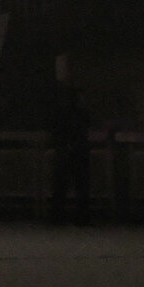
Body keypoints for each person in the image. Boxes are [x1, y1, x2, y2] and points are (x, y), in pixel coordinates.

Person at [49, 76, 92, 225]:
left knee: (66, 184)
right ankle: (77, 216)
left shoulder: (67, 113)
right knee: (77, 184)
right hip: (74, 150)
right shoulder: (77, 114)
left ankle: (61, 216)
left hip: (70, 150)